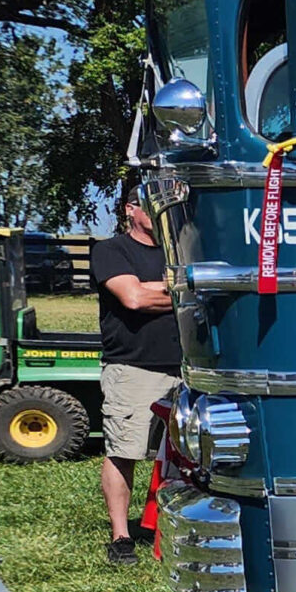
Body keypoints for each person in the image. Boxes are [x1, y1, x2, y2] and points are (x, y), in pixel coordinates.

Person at [91, 197, 178, 564]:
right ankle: (121, 537)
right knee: (124, 452)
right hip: (133, 369)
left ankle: (168, 525)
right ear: (130, 208)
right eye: (154, 204)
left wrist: (163, 288)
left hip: (186, 370)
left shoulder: (181, 250)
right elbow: (134, 298)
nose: (163, 212)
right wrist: (186, 290)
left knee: (188, 457)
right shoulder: (111, 250)